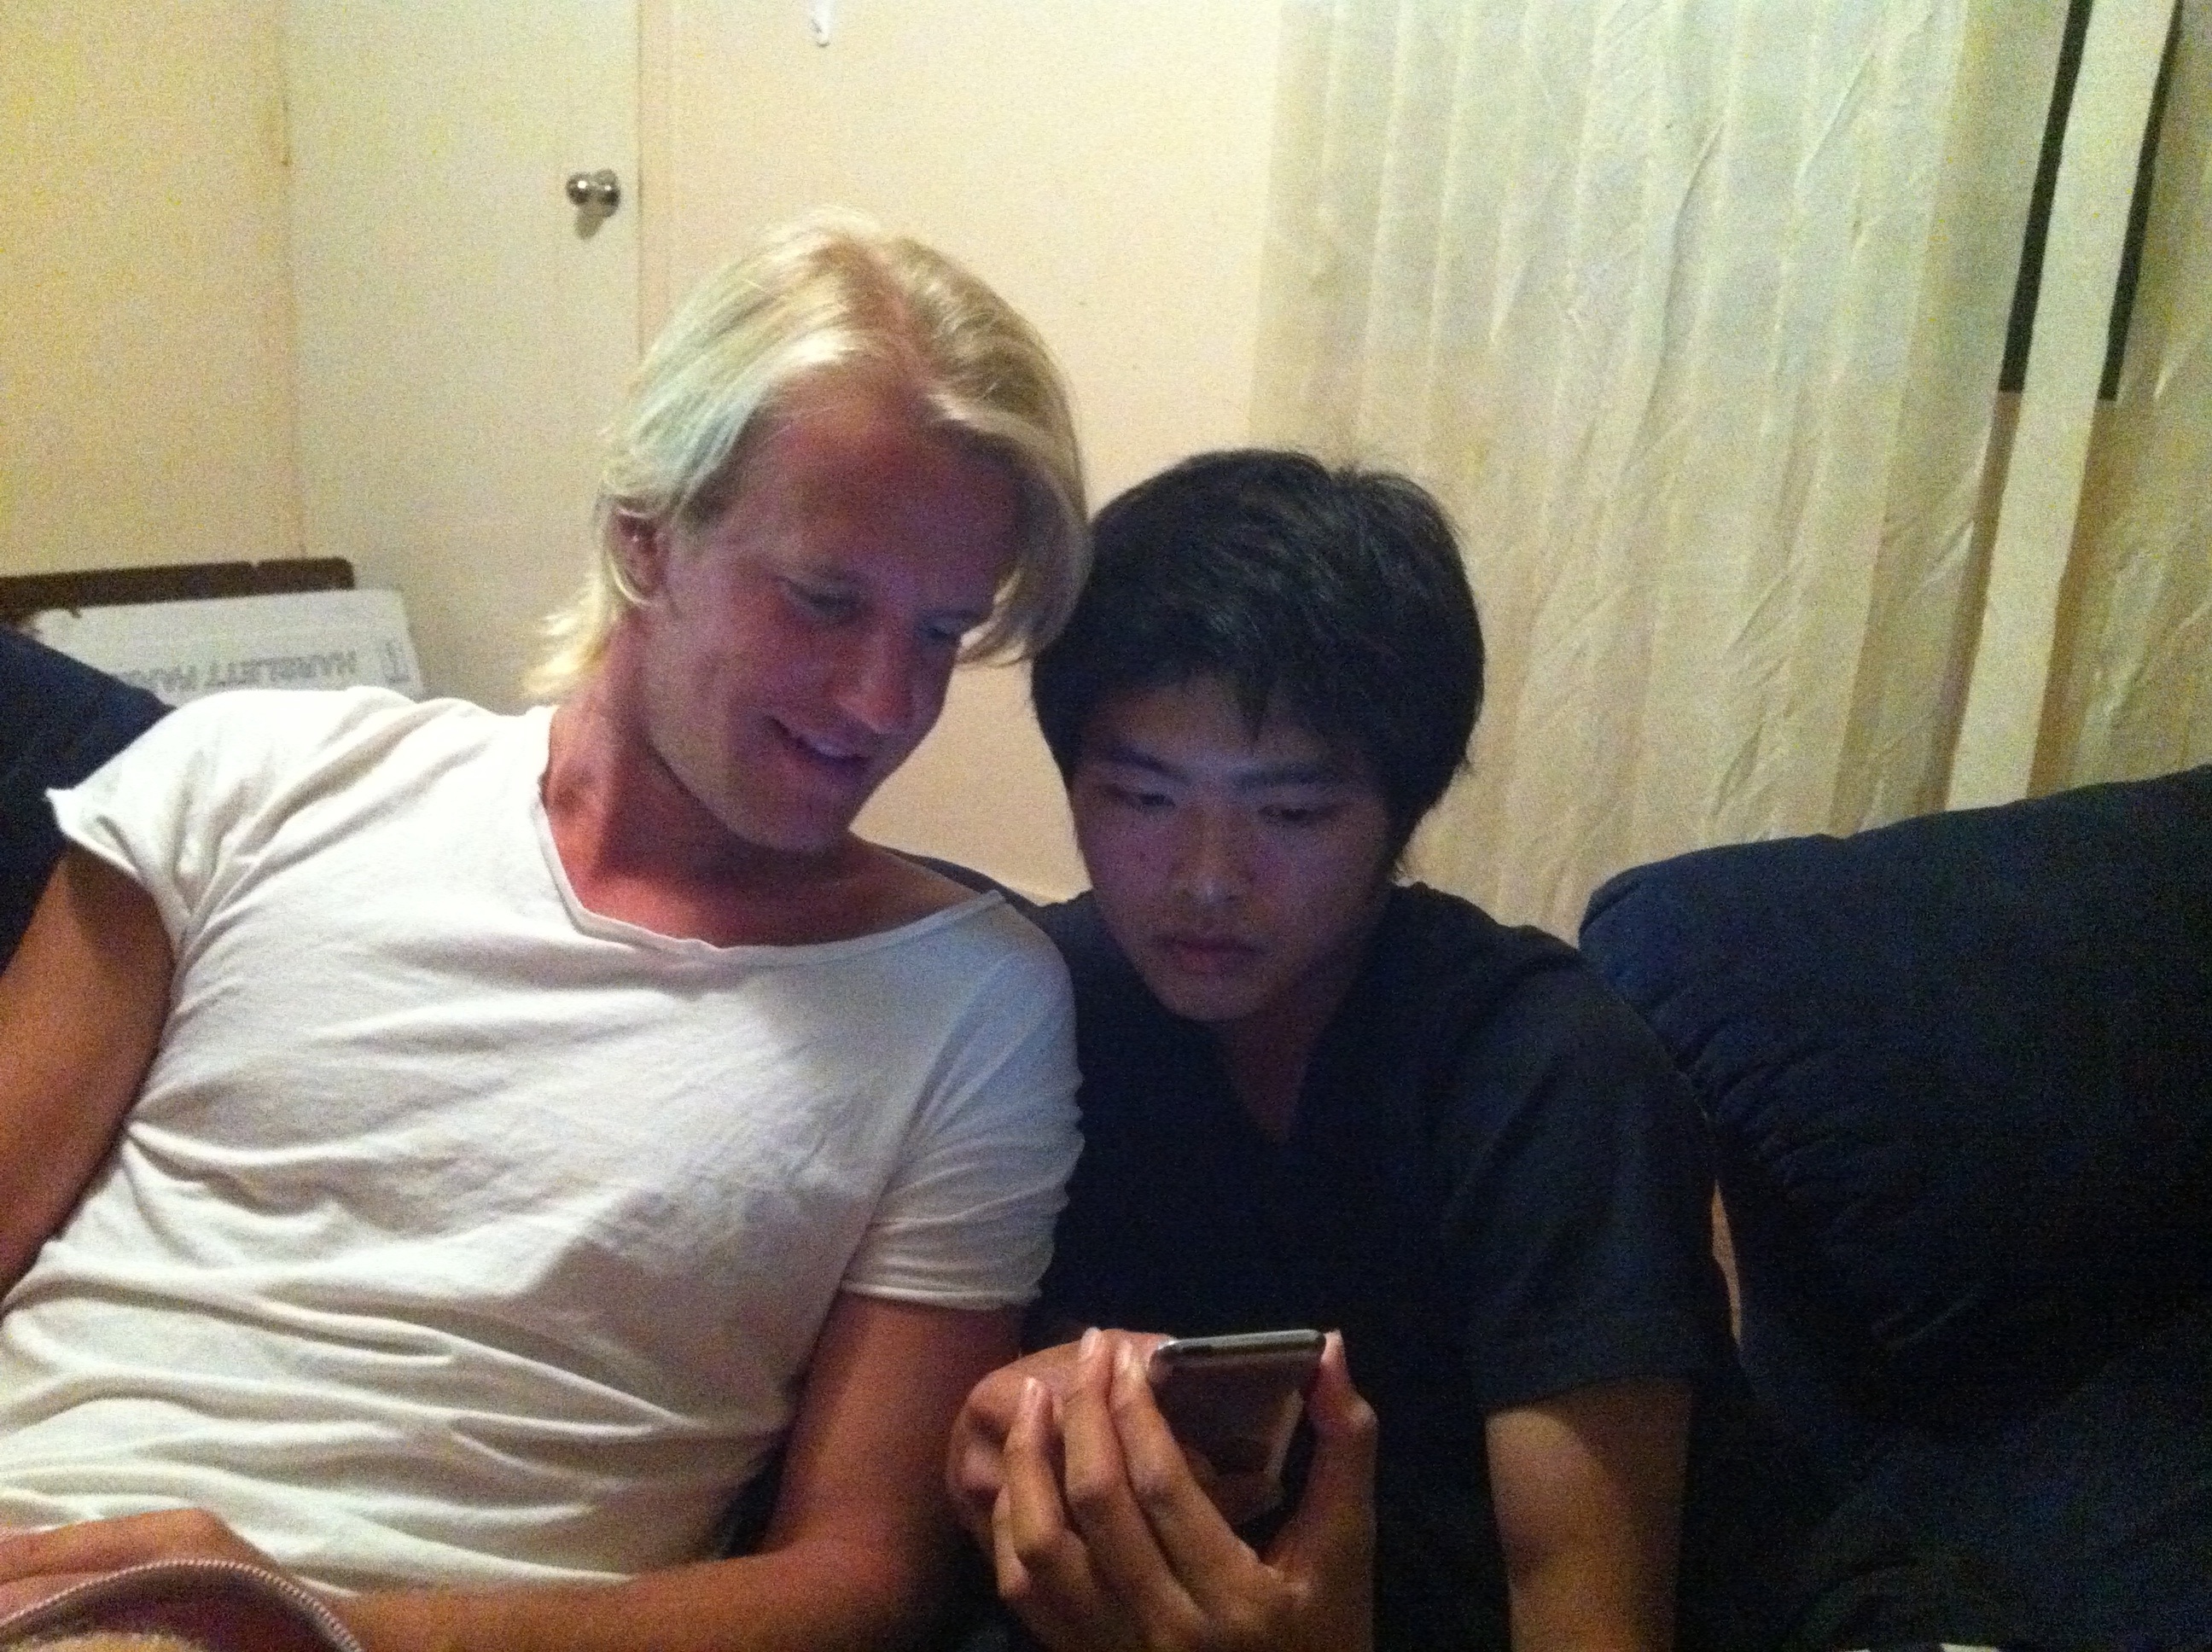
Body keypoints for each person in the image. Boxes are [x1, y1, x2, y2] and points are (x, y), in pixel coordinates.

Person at [0, 210, 1090, 1651]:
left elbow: (862, 1580)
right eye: (826, 602)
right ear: (648, 534)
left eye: (941, 633)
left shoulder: (966, 1005)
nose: (886, 704)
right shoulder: (248, 778)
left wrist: (319, 1626)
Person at [947, 451, 1738, 1650]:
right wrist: (987, 1449)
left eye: (1293, 813)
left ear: (1400, 812)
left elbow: (1594, 1618)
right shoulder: (1035, 1011)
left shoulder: (1544, 1069)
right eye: (1144, 799)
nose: (1207, 880)